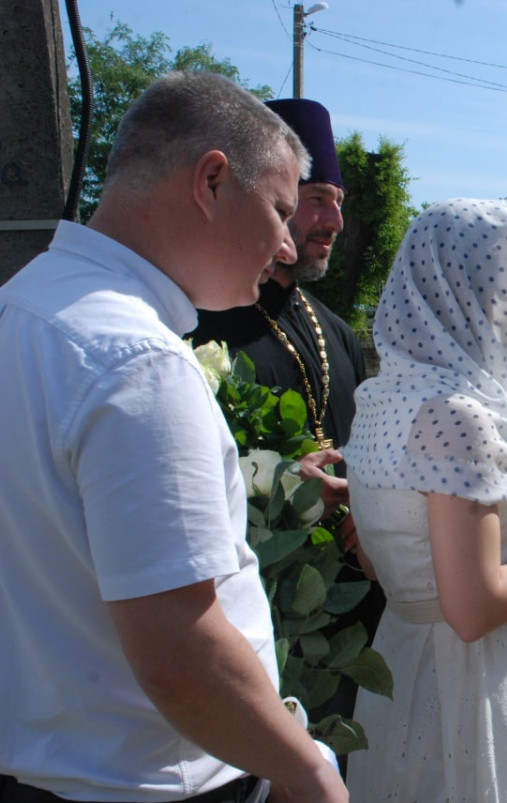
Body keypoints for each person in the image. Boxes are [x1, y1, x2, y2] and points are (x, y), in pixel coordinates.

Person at [0, 71, 346, 802]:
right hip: (152, 781)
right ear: (212, 181)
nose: (286, 246)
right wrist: (309, 770)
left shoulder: (23, 306)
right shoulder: (138, 361)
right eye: (280, 209)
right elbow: (181, 653)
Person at [341, 198, 507, 801]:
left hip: (402, 657)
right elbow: (473, 608)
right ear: (477, 286)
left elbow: (382, 563)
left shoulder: (382, 398)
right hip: (466, 686)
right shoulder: (455, 416)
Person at [189, 98, 384, 728]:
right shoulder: (196, 323)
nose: (334, 221)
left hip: (342, 614)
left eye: (340, 203)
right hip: (236, 616)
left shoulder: (335, 331)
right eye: (316, 199)